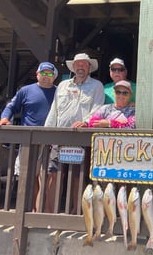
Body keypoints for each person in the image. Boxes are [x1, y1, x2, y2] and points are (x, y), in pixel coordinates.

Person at [41, 53, 105, 213]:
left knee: (78, 176)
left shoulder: (97, 86)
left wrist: (86, 122)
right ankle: (50, 213)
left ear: (89, 67)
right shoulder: (62, 85)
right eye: (77, 64)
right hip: (59, 136)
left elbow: (98, 109)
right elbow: (54, 110)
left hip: (81, 137)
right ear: (73, 67)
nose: (80, 67)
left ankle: (75, 212)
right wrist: (47, 132)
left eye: (84, 64)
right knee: (54, 174)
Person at [0, 62, 58, 204]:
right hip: (29, 141)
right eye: (43, 73)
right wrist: (4, 118)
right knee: (29, 177)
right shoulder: (26, 90)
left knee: (49, 176)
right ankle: (31, 208)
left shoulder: (59, 92)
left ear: (54, 76)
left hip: (52, 140)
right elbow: (11, 106)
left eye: (49, 74)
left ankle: (45, 210)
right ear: (37, 74)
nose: (46, 76)